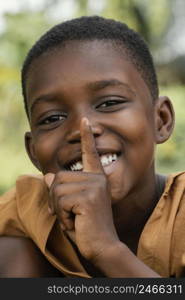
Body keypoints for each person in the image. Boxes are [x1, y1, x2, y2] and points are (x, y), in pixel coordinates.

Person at [0, 16, 184, 278]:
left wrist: (106, 250)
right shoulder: (26, 212)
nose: (81, 128)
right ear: (33, 152)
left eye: (109, 103)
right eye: (52, 118)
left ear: (161, 120)